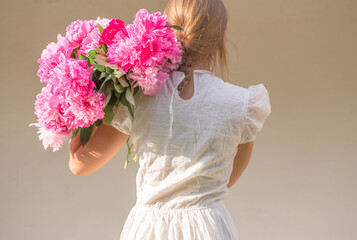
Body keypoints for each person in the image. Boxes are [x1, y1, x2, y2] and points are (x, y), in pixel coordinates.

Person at [69, 0, 271, 239]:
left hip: (149, 230)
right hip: (209, 230)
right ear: (221, 34)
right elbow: (224, 180)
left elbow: (79, 165)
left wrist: (82, 102)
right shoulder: (244, 104)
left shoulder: (136, 96)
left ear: (165, 29)